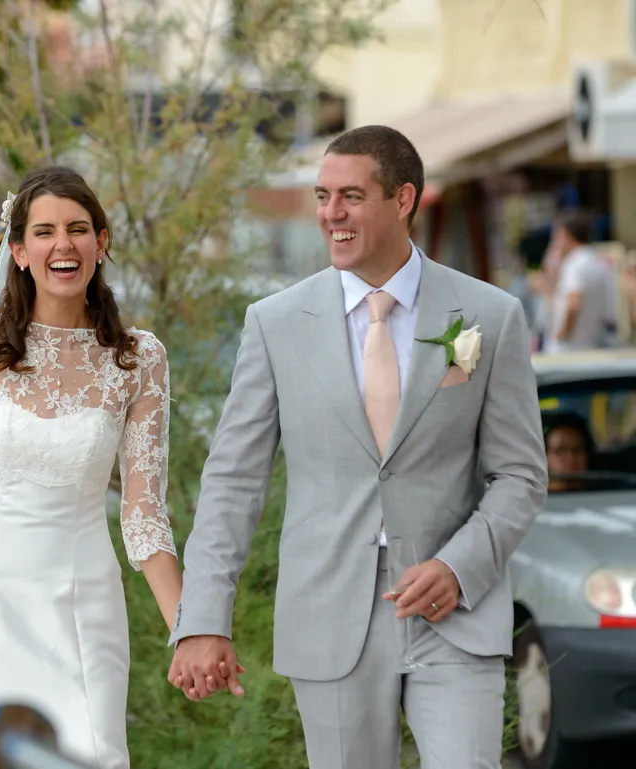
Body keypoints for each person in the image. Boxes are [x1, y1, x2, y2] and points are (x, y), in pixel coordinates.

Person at [168, 125, 547, 769]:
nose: (330, 215)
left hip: (453, 607)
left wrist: (460, 564)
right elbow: (233, 480)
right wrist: (203, 618)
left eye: (350, 196)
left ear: (403, 200)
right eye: (322, 196)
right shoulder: (275, 322)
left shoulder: (491, 314)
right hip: (327, 610)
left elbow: (520, 475)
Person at [0, 166, 180, 769]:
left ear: (101, 243)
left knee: (86, 749)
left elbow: (143, 516)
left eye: (79, 229)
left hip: (84, 593)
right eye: (46, 231)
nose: (64, 245)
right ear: (19, 250)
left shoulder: (139, 359)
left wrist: (188, 629)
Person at [539, 208, 616, 353]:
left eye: (557, 236)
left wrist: (562, 334)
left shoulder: (574, 264)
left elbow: (573, 304)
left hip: (567, 350)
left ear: (568, 235)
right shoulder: (597, 262)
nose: (555, 243)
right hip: (590, 345)